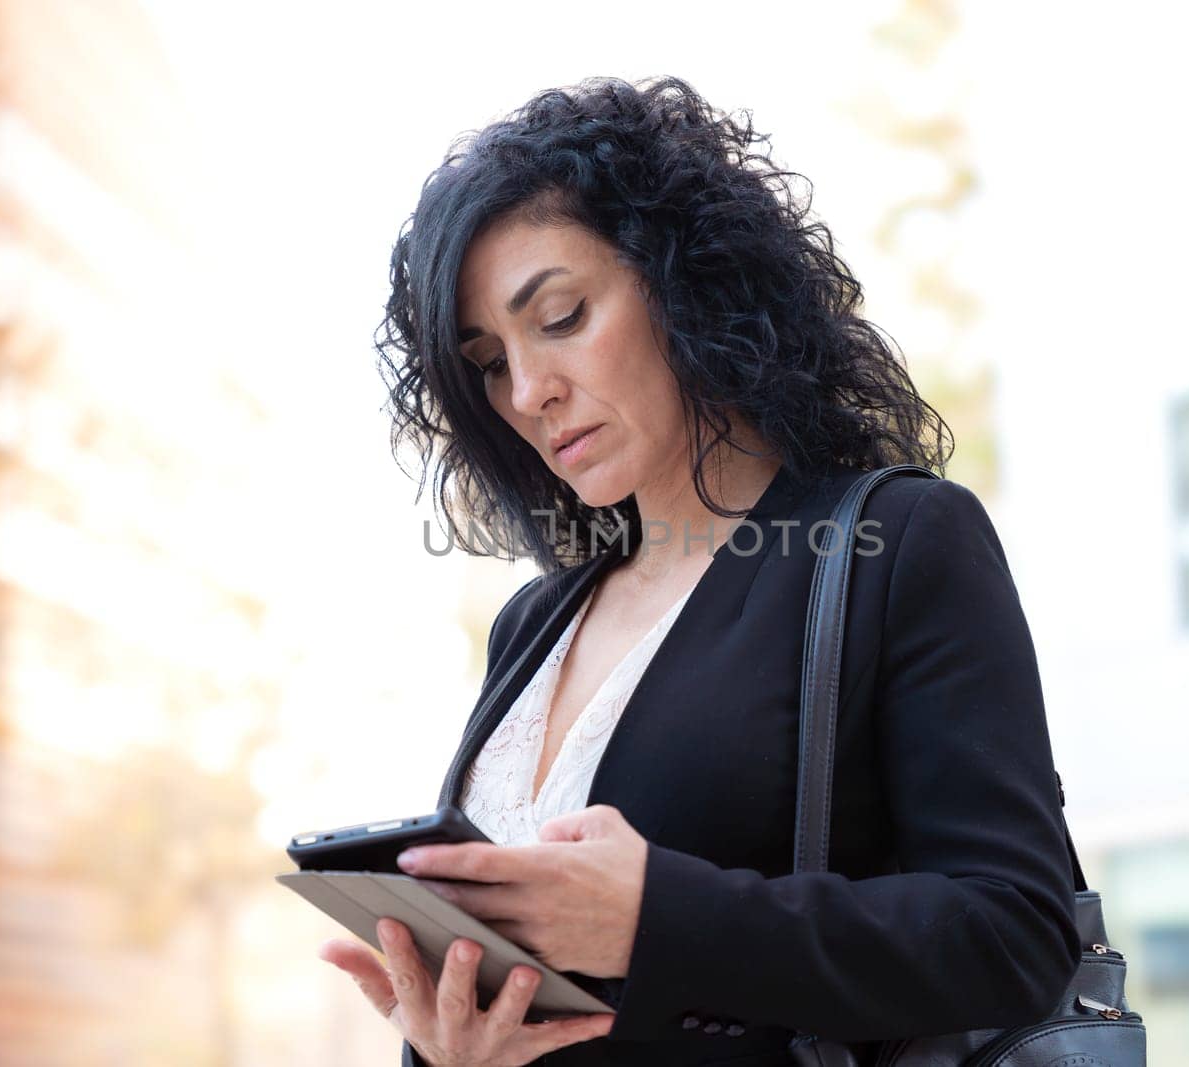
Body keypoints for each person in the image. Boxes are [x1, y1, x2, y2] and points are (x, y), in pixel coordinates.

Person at [318, 75, 1081, 1067]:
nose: (529, 389)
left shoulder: (897, 542)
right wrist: (447, 1038)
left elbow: (1012, 928)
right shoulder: (534, 622)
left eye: (559, 315)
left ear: (687, 282)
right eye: (488, 361)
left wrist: (657, 917)